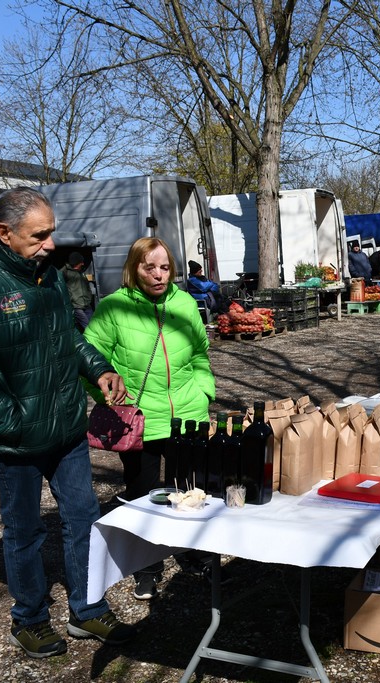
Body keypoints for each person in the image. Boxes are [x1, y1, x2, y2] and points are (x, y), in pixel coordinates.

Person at [0, 187, 137, 659]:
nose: (50, 244)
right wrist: (15, 420)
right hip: (16, 443)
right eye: (40, 235)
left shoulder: (47, 277)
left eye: (52, 233)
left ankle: (88, 610)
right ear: (4, 233)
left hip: (66, 433)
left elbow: (69, 336)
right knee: (25, 532)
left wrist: (98, 367)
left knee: (85, 519)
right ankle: (29, 619)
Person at [85, 237, 216, 600]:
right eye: (149, 267)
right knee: (143, 496)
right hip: (140, 420)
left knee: (190, 491)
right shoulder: (114, 308)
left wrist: (205, 390)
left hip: (187, 415)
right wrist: (108, 396)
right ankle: (148, 567)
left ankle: (196, 554)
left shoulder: (186, 302)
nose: (158, 275)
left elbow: (202, 353)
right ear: (134, 268)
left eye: (164, 267)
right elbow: (90, 361)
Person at [63, 251, 94, 331]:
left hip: (86, 305)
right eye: (81, 262)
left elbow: (87, 287)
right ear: (76, 262)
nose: (83, 264)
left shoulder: (81, 272)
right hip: (77, 306)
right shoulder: (66, 272)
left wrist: (89, 297)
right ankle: (90, 342)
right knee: (88, 328)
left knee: (94, 325)